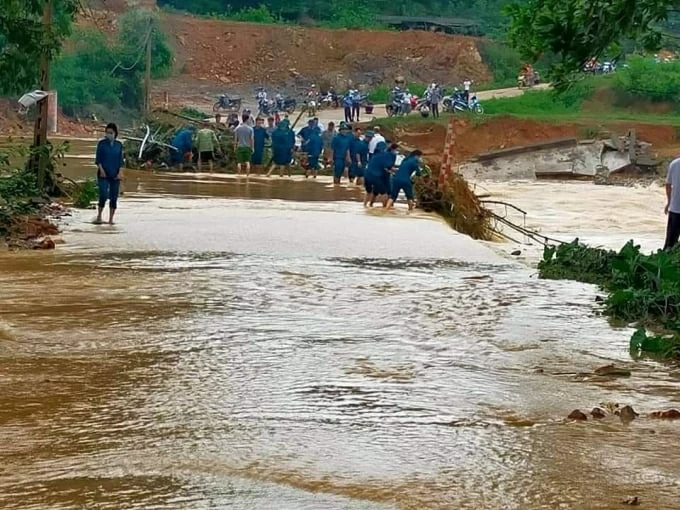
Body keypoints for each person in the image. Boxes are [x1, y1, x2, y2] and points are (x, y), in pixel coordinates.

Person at [94, 123, 124, 225]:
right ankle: (99, 216)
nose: (108, 135)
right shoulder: (101, 144)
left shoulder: (119, 145)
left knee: (114, 197)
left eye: (111, 133)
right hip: (103, 174)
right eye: (107, 133)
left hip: (115, 175)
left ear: (115, 133)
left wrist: (120, 172)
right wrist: (101, 170)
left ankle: (111, 220)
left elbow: (121, 161)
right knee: (103, 194)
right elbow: (98, 159)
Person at [363, 141, 394, 207]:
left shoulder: (374, 155)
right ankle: (384, 209)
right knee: (384, 193)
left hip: (366, 175)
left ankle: (365, 205)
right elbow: (387, 166)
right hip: (375, 176)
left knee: (369, 191)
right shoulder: (384, 156)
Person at [664, 156, 680, 249]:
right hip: (675, 209)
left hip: (675, 209)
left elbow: (668, 184)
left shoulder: (674, 164)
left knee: (670, 243)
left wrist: (669, 201)